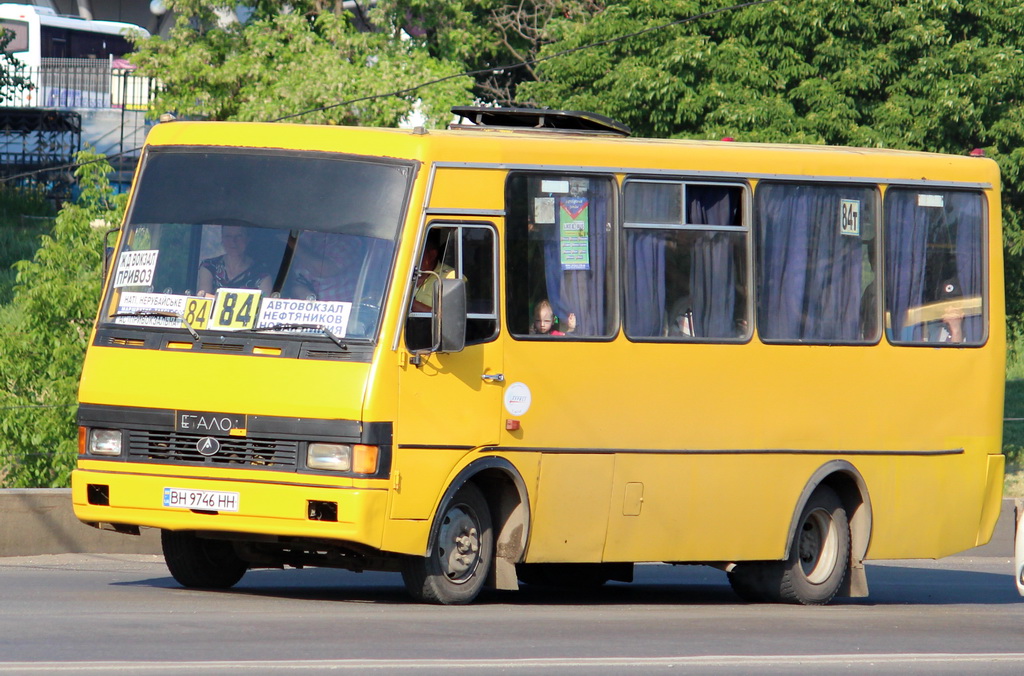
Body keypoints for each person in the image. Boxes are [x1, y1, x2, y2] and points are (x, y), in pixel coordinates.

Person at [197, 224, 271, 296]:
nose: (233, 241)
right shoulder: (209, 266)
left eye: (239, 236)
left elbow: (264, 304)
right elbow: (203, 299)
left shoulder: (261, 272)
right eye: (228, 236)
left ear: (248, 239)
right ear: (222, 239)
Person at [411, 230, 456, 312]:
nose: (412, 259)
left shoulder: (451, 277)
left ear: (432, 255)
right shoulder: (400, 275)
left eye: (416, 254)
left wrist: (410, 304)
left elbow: (449, 318)